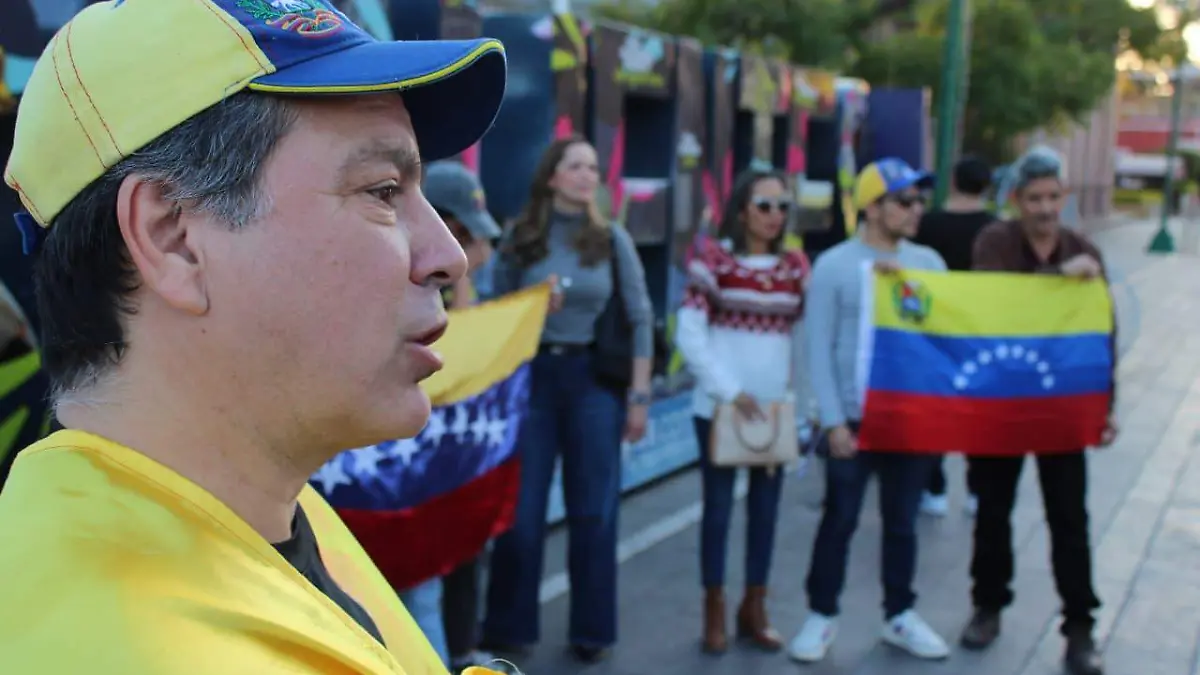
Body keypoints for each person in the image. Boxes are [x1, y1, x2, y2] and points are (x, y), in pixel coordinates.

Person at [0, 1, 508, 672]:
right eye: (383, 191)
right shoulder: (145, 644)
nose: (449, 255)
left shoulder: (252, 507)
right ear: (172, 239)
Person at [481, 136, 654, 663]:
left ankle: (592, 632)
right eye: (576, 165)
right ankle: (510, 629)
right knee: (523, 513)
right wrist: (533, 307)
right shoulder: (522, 235)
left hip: (592, 380)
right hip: (532, 379)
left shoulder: (612, 238)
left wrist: (640, 397)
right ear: (552, 175)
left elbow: (641, 316)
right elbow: (493, 310)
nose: (587, 175)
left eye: (594, 168)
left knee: (594, 512)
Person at [959, 147, 1115, 675]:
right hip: (1002, 403)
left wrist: (1104, 405)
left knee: (1069, 518)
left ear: (1064, 197)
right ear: (1017, 200)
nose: (1045, 208)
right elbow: (994, 307)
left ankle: (1079, 627)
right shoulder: (995, 241)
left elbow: (1100, 335)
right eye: (1034, 199)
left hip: (1060, 406)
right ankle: (988, 605)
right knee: (992, 512)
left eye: (1053, 197)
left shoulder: (1085, 249)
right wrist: (1056, 284)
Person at [788, 158, 951, 663]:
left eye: (919, 200)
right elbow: (817, 345)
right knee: (840, 517)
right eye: (904, 201)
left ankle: (900, 612)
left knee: (902, 521)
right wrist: (831, 419)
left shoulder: (928, 263)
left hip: (907, 417)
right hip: (853, 418)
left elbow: (939, 337)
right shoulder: (836, 264)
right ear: (873, 207)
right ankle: (821, 613)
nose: (915, 210)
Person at [674, 168, 811, 654]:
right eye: (765, 205)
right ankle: (714, 607)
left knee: (766, 513)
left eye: (782, 207)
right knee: (716, 512)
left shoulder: (795, 267)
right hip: (718, 410)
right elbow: (688, 332)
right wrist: (730, 392)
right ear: (742, 210)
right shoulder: (714, 260)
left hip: (773, 411)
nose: (775, 216)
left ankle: (755, 607)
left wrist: (801, 403)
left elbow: (804, 337)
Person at [421, 160, 502, 671]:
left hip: (457, 437)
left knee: (469, 545)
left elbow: (471, 339)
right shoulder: (406, 274)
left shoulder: (464, 270)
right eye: (463, 233)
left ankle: (463, 645)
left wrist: (466, 274)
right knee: (422, 569)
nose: (468, 250)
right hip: (415, 444)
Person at [911, 155, 995, 517]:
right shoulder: (996, 227)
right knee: (978, 410)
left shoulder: (928, 223)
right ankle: (977, 490)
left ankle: (934, 487)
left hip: (935, 329)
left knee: (935, 406)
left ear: (954, 181)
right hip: (979, 329)